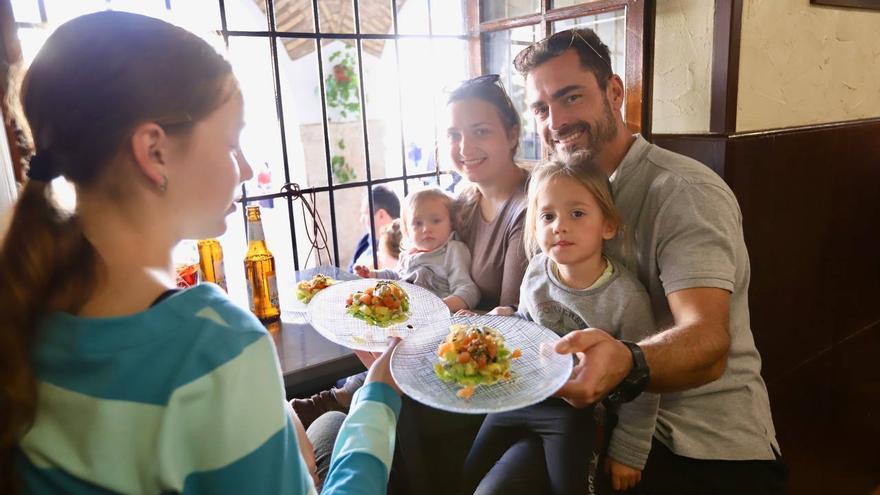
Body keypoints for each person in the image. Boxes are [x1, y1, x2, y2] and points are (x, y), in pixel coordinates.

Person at [0, 12, 401, 495]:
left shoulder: (25, 305)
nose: (248, 168)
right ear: (154, 152)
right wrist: (378, 402)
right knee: (339, 427)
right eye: (232, 142)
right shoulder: (215, 345)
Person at [515, 28, 785, 492]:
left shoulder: (682, 191)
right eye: (541, 108)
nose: (555, 121)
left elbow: (708, 341)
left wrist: (626, 361)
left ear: (615, 92)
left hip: (701, 442)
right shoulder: (557, 196)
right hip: (595, 423)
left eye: (571, 97)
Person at [461, 152, 658, 495]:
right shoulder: (537, 272)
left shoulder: (627, 297)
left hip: (579, 413)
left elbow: (643, 380)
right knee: (468, 472)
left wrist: (630, 451)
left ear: (608, 225)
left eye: (577, 214)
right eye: (548, 216)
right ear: (535, 227)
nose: (560, 226)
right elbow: (527, 324)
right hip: (524, 396)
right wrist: (501, 327)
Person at [448, 74, 530, 312]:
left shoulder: (532, 207)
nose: (465, 147)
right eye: (454, 135)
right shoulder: (462, 201)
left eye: (481, 131)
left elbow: (511, 319)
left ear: (512, 135)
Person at [356, 187, 480, 313]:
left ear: (451, 223)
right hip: (405, 315)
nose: (426, 228)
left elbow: (468, 290)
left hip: (437, 319)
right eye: (418, 223)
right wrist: (372, 274)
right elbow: (396, 277)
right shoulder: (408, 254)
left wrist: (440, 306)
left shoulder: (453, 251)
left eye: (436, 221)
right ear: (407, 230)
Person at [349, 185, 400, 271]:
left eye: (365, 214)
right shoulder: (365, 241)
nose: (361, 220)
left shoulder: (403, 246)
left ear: (381, 215)